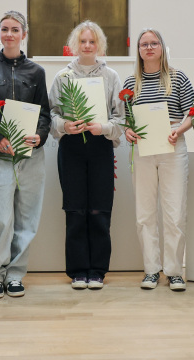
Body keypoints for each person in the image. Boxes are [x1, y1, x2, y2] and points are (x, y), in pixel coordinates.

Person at [0, 11, 51, 299]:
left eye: (15, 29)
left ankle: (16, 274)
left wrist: (40, 136)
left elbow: (44, 114)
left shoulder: (36, 72)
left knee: (26, 217)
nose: (9, 34)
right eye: (4, 29)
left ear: (24, 34)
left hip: (30, 155)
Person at [48, 20, 124, 290]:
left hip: (100, 147)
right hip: (71, 150)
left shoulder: (111, 77)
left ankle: (98, 271)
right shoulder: (62, 77)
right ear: (75, 45)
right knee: (76, 210)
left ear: (99, 44)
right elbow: (52, 115)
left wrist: (102, 127)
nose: (88, 46)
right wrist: (65, 126)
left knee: (99, 209)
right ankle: (78, 271)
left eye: (92, 41)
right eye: (83, 41)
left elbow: (121, 120)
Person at [123, 29, 194, 291]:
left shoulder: (178, 78)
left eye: (154, 43)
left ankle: (174, 271)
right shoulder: (131, 83)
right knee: (145, 213)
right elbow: (126, 120)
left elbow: (193, 113)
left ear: (162, 47)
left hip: (172, 148)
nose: (149, 48)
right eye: (144, 44)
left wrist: (180, 130)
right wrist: (127, 131)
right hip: (143, 150)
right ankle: (151, 270)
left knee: (174, 212)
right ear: (138, 50)